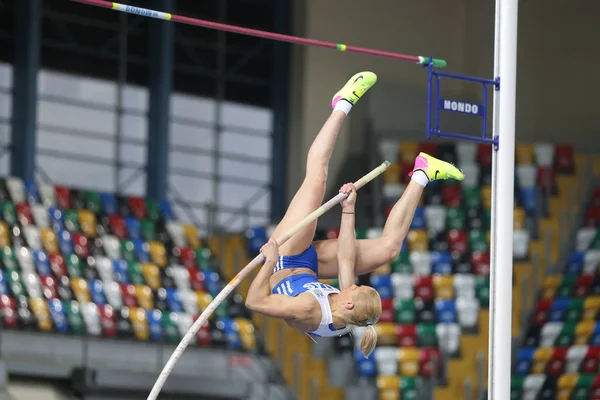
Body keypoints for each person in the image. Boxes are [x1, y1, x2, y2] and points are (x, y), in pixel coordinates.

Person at [245, 71, 464, 357]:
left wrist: (269, 262)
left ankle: (342, 103)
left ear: (349, 303)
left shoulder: (307, 309)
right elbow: (346, 259)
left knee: (317, 182)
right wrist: (349, 210)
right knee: (388, 249)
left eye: (356, 289)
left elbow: (254, 301)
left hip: (285, 258)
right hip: (310, 266)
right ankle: (422, 173)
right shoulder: (350, 309)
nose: (354, 285)